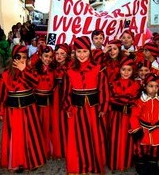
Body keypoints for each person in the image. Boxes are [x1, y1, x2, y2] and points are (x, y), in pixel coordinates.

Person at [0, 45, 46, 173]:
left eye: (24, 57)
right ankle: (17, 162)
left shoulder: (30, 71)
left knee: (31, 135)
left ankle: (33, 160)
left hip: (29, 109)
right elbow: (1, 97)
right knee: (17, 136)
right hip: (13, 111)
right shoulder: (4, 75)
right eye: (19, 57)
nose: (22, 60)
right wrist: (0, 112)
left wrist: (25, 70)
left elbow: (36, 83)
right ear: (13, 58)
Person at [62, 36, 109, 174]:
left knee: (94, 137)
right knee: (78, 138)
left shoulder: (99, 68)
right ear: (74, 53)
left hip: (93, 110)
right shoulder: (69, 70)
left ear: (90, 51)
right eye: (78, 52)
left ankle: (94, 165)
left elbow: (104, 90)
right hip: (76, 110)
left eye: (84, 51)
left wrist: (103, 108)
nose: (82, 55)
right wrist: (67, 107)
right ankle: (80, 165)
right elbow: (65, 91)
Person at [108, 56, 141, 171]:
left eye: (129, 70)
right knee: (114, 139)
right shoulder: (113, 83)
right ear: (119, 70)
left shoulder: (136, 85)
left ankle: (125, 162)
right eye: (123, 69)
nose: (126, 72)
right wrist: (127, 99)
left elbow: (135, 101)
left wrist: (121, 98)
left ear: (133, 71)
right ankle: (114, 162)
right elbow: (111, 99)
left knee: (127, 139)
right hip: (115, 117)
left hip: (129, 118)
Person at [129, 73, 159, 175]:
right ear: (145, 86)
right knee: (141, 150)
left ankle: (153, 166)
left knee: (154, 150)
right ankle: (141, 167)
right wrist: (136, 128)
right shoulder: (140, 101)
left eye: (156, 86)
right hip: (143, 130)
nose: (154, 89)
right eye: (151, 86)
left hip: (156, 130)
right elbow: (134, 116)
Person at [33, 45, 55, 159]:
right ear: (40, 56)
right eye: (46, 56)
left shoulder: (53, 70)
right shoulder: (34, 70)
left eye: (51, 57)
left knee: (49, 126)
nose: (48, 59)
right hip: (37, 103)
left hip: (49, 103)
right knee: (38, 126)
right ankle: (38, 149)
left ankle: (47, 148)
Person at [52, 43, 71, 159]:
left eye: (62, 54)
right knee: (57, 123)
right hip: (55, 98)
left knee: (67, 123)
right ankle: (60, 148)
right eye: (57, 53)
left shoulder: (71, 67)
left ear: (67, 55)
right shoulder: (52, 66)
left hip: (67, 96)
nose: (59, 56)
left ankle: (68, 148)